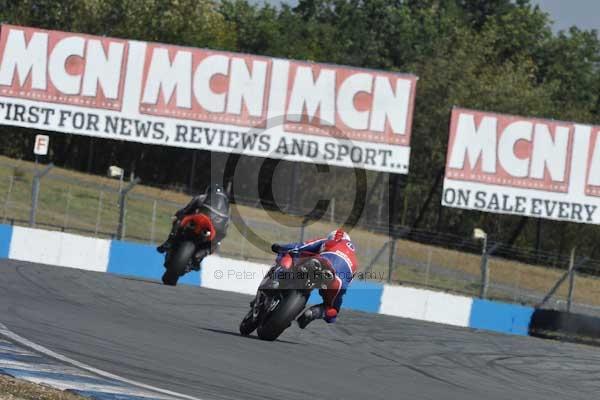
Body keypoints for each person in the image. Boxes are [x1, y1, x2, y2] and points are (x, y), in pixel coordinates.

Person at [270, 229, 358, 328]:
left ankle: (277, 280)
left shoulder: (329, 241)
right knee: (332, 311)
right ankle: (313, 313)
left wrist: (280, 247)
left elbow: (301, 246)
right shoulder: (354, 260)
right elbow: (349, 282)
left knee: (295, 255)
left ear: (332, 237)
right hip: (339, 282)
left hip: (323, 262)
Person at [156, 184, 230, 266]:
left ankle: (169, 242)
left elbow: (186, 210)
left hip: (201, 221)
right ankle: (200, 257)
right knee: (215, 243)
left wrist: (177, 215)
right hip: (216, 228)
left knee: (179, 220)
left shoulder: (202, 197)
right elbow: (225, 229)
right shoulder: (226, 210)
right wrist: (218, 238)